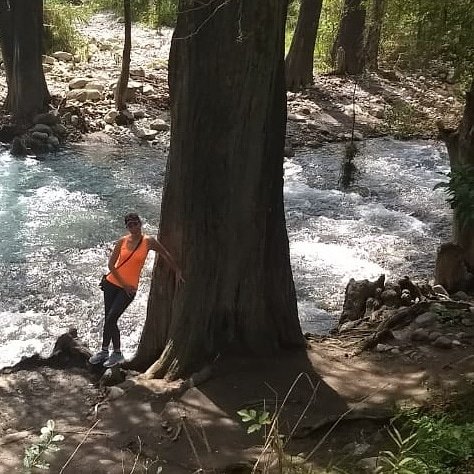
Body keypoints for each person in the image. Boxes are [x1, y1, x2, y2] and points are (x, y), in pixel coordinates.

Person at [89, 213, 183, 367]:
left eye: (135, 223)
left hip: (129, 289)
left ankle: (117, 354)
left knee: (112, 318)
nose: (134, 227)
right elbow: (111, 265)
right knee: (108, 318)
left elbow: (164, 254)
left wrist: (177, 270)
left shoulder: (148, 241)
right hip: (111, 284)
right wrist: (122, 283)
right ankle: (104, 351)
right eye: (130, 225)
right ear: (127, 227)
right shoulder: (122, 241)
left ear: (140, 223)